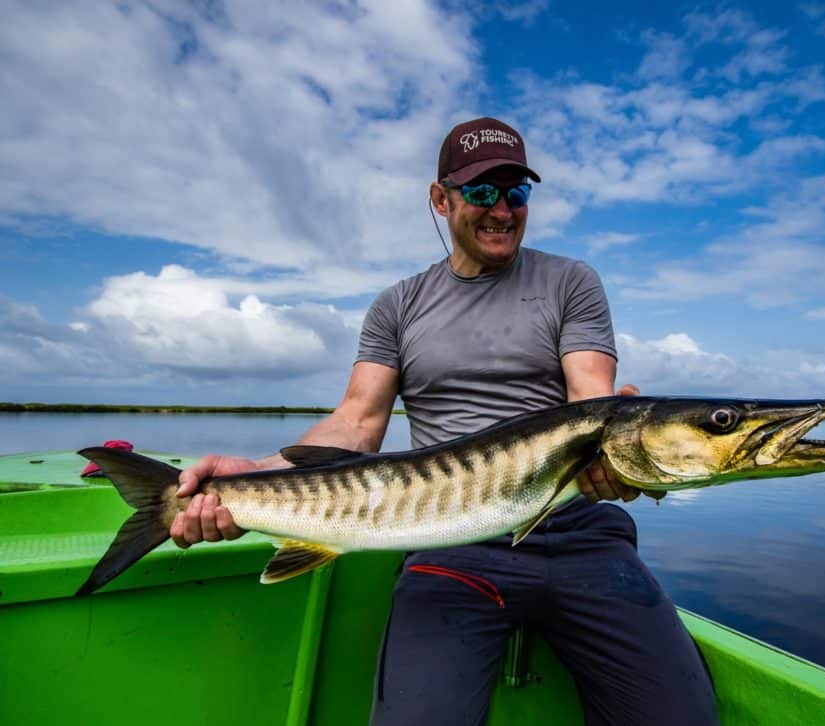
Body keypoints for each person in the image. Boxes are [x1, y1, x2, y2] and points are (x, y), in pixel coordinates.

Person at [173, 117, 719, 726]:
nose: (502, 210)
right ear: (440, 199)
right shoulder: (398, 306)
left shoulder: (571, 282)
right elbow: (356, 425)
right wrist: (255, 472)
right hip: (452, 544)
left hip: (580, 535)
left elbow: (590, 399)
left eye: (516, 193)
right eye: (482, 193)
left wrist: (619, 452)